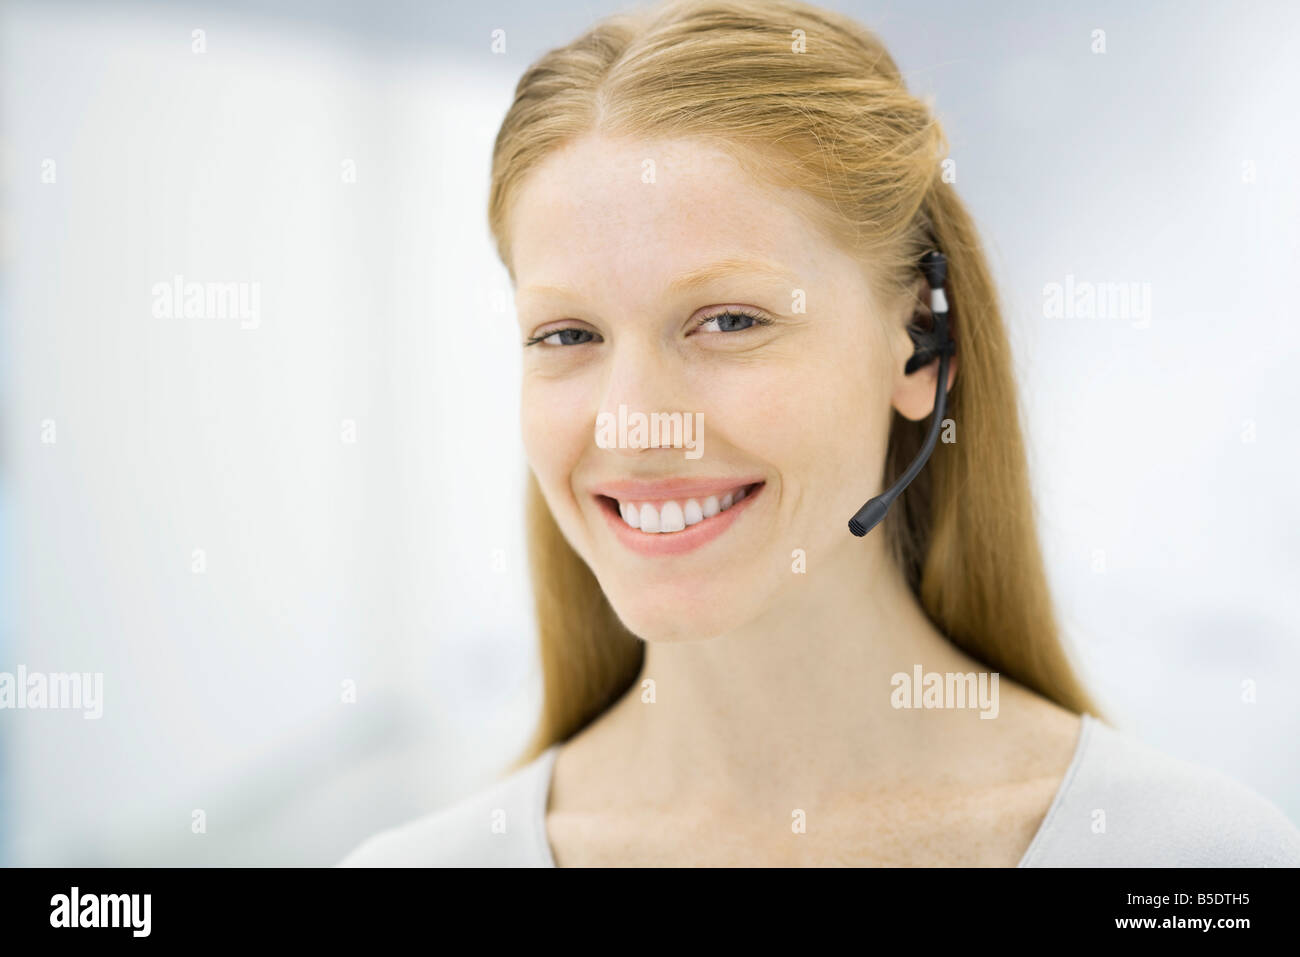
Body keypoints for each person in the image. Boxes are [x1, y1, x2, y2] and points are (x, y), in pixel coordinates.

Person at [340, 0, 1300, 867]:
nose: (633, 424)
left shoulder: (1197, 863)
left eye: (728, 321)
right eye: (568, 334)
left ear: (920, 351)